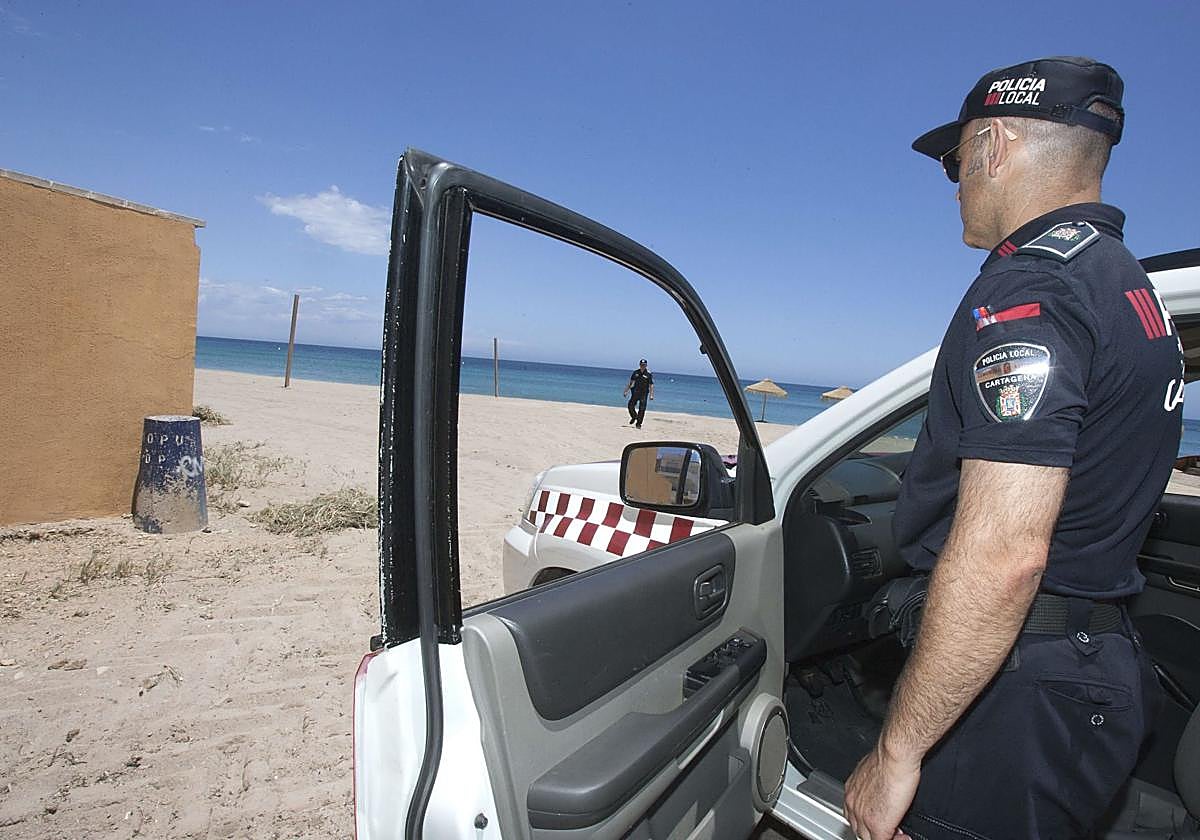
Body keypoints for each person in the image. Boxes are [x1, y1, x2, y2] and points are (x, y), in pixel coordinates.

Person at [844, 57, 1183, 840]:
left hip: (1018, 686)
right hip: (1088, 655)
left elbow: (1004, 555)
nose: (954, 186)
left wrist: (896, 753)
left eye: (956, 161)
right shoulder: (1123, 283)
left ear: (993, 145)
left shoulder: (1033, 290)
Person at [623, 358, 654, 428]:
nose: (643, 366)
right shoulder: (635, 372)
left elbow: (651, 385)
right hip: (635, 392)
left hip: (644, 393)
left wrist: (651, 395)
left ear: (646, 365)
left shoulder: (648, 374)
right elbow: (631, 382)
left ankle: (638, 423)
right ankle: (634, 416)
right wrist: (626, 391)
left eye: (644, 365)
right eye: (641, 365)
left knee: (642, 409)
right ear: (639, 365)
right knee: (630, 406)